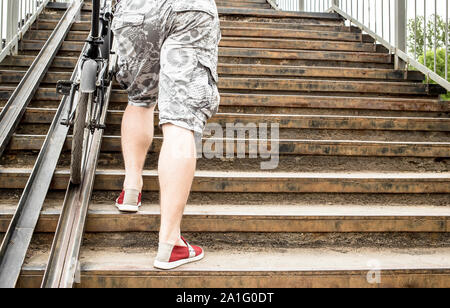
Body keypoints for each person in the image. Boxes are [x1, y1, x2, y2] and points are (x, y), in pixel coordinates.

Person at [111, 0, 221, 270]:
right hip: (188, 10)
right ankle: (170, 242)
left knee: (139, 99)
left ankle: (131, 188)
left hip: (136, 10)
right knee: (181, 120)